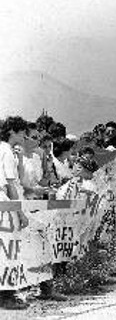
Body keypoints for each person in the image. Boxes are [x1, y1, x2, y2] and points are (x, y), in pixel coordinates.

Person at [0, 117, 30, 310]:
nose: (23, 136)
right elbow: (11, 184)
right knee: (8, 248)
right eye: (21, 132)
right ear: (12, 131)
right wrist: (20, 212)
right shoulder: (7, 151)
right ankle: (6, 296)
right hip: (3, 201)